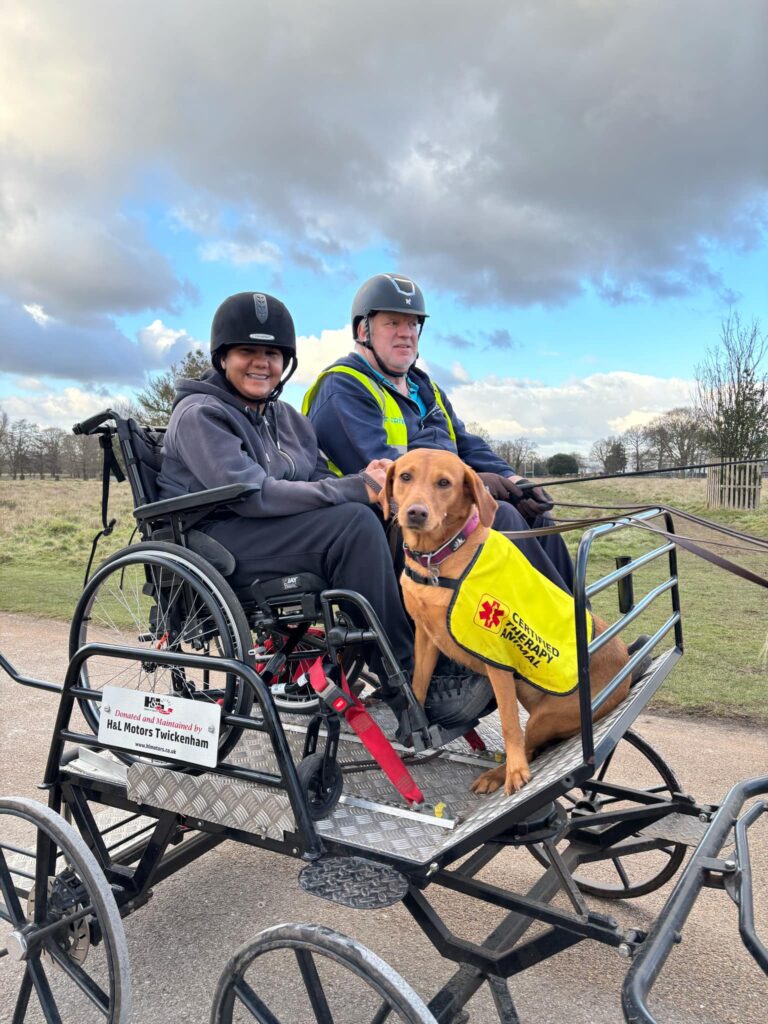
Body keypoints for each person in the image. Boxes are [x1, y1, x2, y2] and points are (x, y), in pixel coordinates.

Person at [156, 290, 415, 707]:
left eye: (273, 353)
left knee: (388, 518)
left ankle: (429, 660)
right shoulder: (199, 414)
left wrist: (376, 485)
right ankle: (405, 678)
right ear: (222, 357)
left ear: (285, 362)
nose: (262, 362)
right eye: (247, 351)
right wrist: (353, 489)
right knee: (354, 524)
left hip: (270, 534)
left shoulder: (287, 419)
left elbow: (317, 478)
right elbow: (252, 495)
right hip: (219, 542)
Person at [302, 273, 574, 592]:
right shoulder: (343, 387)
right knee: (502, 519)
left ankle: (583, 630)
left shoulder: (424, 386)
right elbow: (392, 475)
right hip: (394, 524)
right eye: (393, 323)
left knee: (538, 518)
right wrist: (470, 485)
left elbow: (466, 444)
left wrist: (513, 480)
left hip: (442, 508)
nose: (406, 334)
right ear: (363, 330)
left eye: (412, 325)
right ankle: (556, 635)